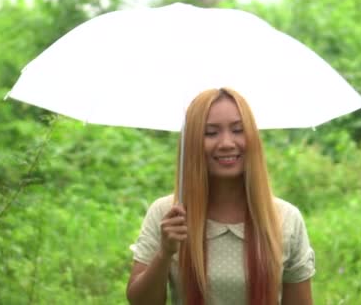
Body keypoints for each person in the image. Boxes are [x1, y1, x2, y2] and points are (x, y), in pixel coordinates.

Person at [126, 88, 315, 305]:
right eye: (211, 133)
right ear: (192, 141)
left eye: (238, 130)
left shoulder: (285, 218)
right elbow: (141, 302)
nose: (226, 143)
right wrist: (165, 253)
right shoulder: (167, 214)